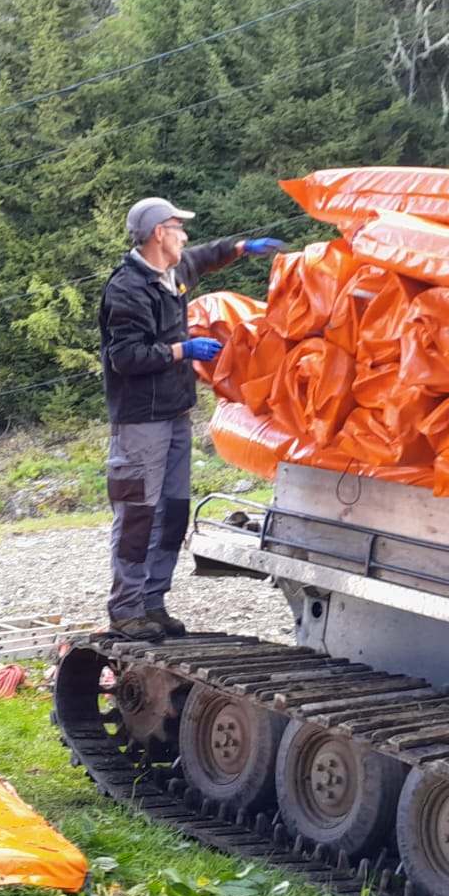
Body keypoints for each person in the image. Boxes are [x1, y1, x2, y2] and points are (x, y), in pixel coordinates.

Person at [97, 196, 282, 640]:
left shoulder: (172, 272)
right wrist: (183, 350)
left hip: (177, 414)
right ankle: (125, 611)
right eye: (179, 228)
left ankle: (153, 602)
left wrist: (242, 248)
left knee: (173, 512)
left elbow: (203, 257)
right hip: (141, 422)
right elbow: (124, 357)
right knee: (138, 515)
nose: (185, 235)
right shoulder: (126, 290)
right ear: (159, 233)